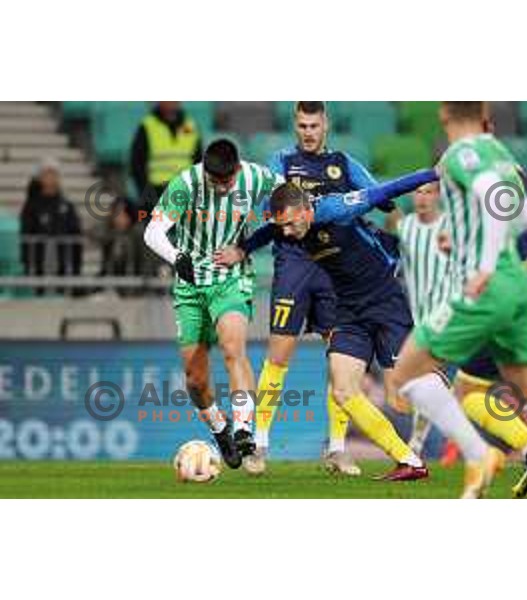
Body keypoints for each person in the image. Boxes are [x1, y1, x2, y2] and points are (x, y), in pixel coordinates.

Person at [219, 172, 507, 497]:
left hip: (385, 302)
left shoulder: (335, 209)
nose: (285, 233)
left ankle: (459, 406)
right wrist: (242, 249)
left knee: (402, 397)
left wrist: (435, 173)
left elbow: (387, 189)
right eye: (281, 226)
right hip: (349, 311)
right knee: (343, 390)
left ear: (304, 210)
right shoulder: (289, 223)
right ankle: (409, 461)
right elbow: (270, 230)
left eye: (289, 225)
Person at [387, 101, 527, 499]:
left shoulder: (459, 155)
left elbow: (489, 195)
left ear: (445, 117)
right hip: (524, 282)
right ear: (485, 118)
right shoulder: (504, 156)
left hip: (492, 285)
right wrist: (468, 239)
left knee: (406, 376)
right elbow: (519, 215)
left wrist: (484, 263)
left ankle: (479, 455)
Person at [218, 101, 391, 476]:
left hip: (334, 271)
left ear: (325, 124)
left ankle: (338, 449)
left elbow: (379, 196)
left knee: (340, 360)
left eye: (313, 125)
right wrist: (244, 248)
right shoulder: (282, 162)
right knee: (279, 356)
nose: (308, 132)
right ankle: (259, 444)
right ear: (295, 126)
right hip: (294, 266)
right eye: (302, 125)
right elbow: (273, 212)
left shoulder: (344, 164)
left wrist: (375, 200)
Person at [398, 179, 527, 498]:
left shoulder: (479, 197)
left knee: (464, 391)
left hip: (510, 298)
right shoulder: (524, 187)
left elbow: (480, 253)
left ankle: (514, 449)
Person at [144, 139, 283, 471]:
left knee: (233, 348)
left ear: (237, 169)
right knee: (195, 379)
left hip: (230, 278)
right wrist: (176, 257)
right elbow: (153, 231)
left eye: (227, 181)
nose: (222, 188)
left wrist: (249, 244)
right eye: (215, 182)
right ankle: (219, 428)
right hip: (191, 286)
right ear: (205, 172)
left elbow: (290, 195)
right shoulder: (186, 183)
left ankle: (244, 431)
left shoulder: (256, 177)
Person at [131, 101, 204, 216]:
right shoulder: (147, 126)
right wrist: (146, 193)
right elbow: (137, 163)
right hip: (157, 193)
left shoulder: (191, 125)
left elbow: (199, 162)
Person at [20, 158, 82, 288]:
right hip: (38, 264)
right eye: (47, 173)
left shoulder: (66, 205)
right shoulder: (31, 206)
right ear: (40, 177)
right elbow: (26, 233)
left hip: (63, 264)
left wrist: (76, 267)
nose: (51, 177)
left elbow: (76, 232)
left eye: (54, 173)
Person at [92, 197, 160, 295]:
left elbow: (147, 264)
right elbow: (95, 232)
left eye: (121, 214)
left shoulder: (140, 235)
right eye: (115, 214)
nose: (117, 218)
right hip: (116, 288)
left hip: (138, 289)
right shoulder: (111, 234)